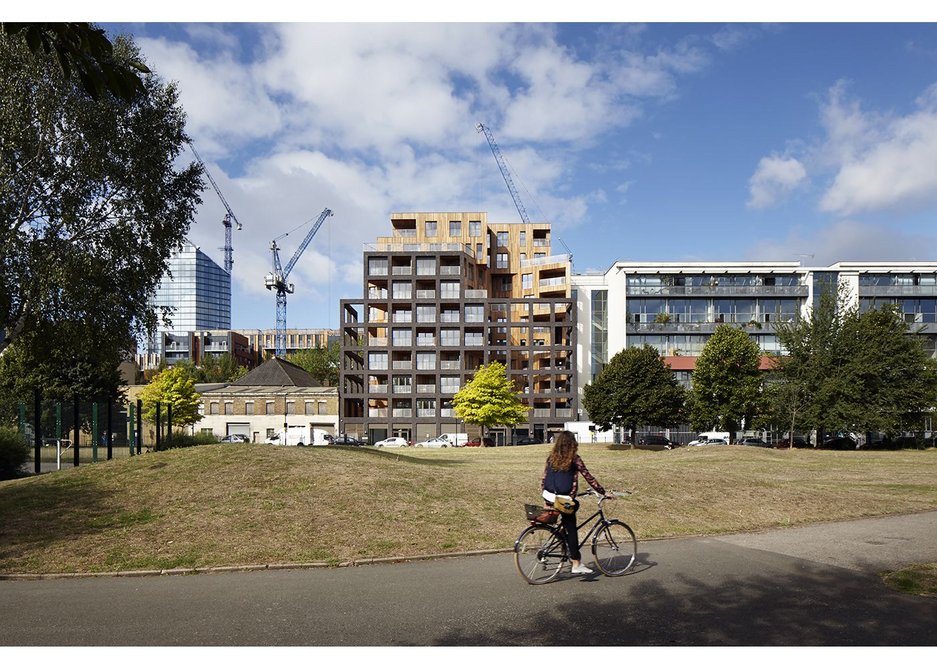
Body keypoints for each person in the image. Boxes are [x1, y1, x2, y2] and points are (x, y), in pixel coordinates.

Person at [540, 430, 606, 575]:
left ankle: (565, 542)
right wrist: (603, 492)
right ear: (573, 444)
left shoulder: (551, 457)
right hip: (563, 500)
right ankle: (576, 562)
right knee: (572, 528)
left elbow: (544, 478)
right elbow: (588, 477)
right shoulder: (575, 459)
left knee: (573, 509)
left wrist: (546, 499)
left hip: (549, 496)